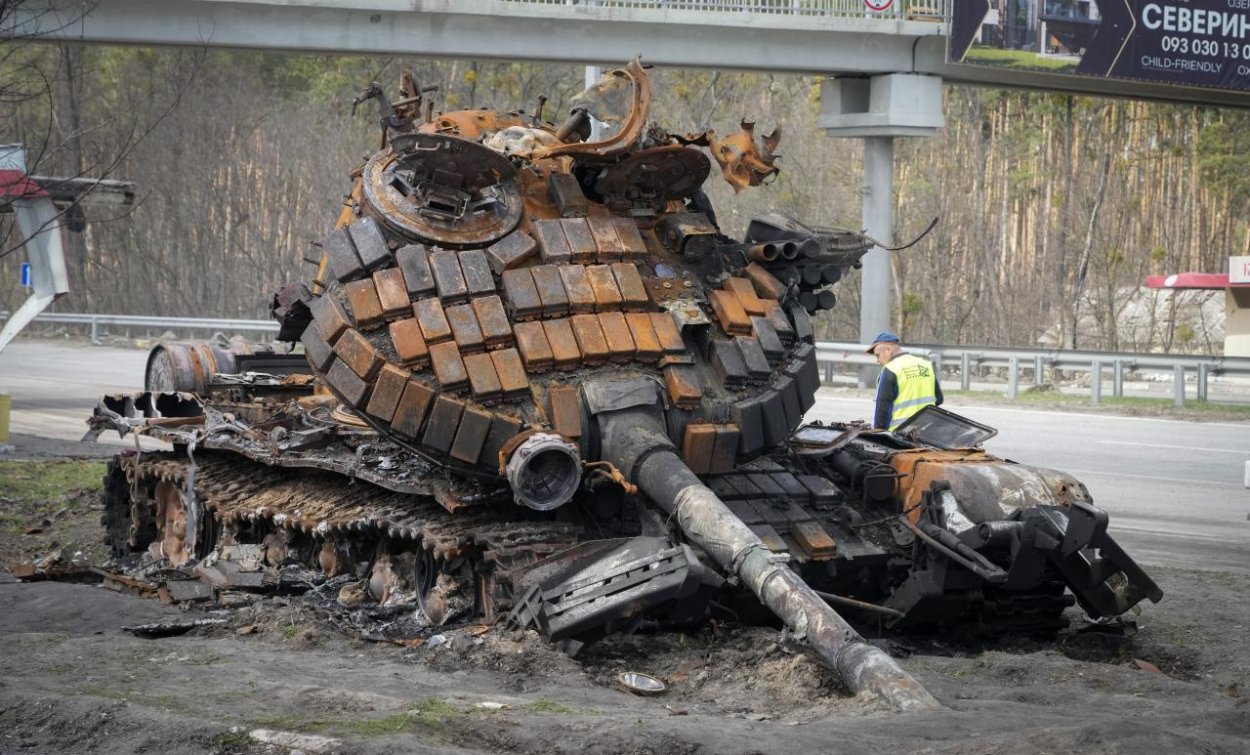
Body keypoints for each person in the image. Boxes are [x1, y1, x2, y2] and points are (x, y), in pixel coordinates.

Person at [867, 331, 943, 431]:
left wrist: (878, 432)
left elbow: (883, 409)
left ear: (888, 350)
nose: (878, 360)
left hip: (900, 435)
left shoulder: (891, 369)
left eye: (878, 355)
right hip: (927, 431)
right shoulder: (925, 364)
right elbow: (938, 399)